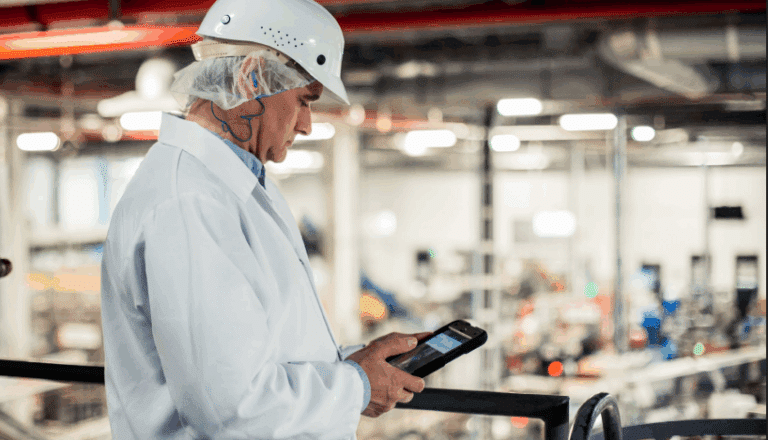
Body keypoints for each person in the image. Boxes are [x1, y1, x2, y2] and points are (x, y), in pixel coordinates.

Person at [99, 0, 429, 438]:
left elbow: (261, 350)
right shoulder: (190, 203)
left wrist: (352, 366)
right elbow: (232, 408)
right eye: (304, 101)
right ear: (251, 79)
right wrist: (356, 386)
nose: (307, 124)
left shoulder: (235, 186)